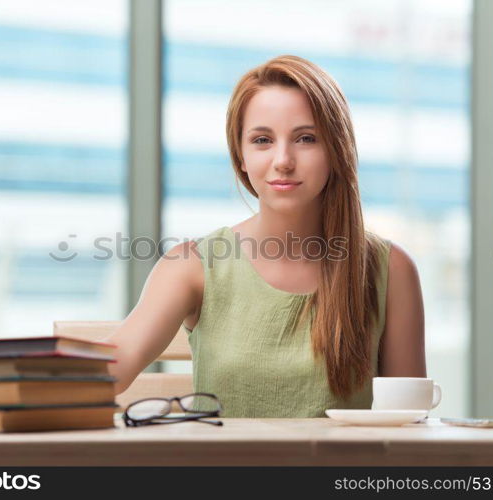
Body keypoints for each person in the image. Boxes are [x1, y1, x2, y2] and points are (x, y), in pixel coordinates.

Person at [105, 55, 425, 417]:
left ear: (336, 150)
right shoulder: (191, 266)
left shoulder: (390, 270)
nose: (283, 160)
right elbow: (109, 371)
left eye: (306, 138)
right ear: (240, 155)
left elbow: (410, 424)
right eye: (262, 140)